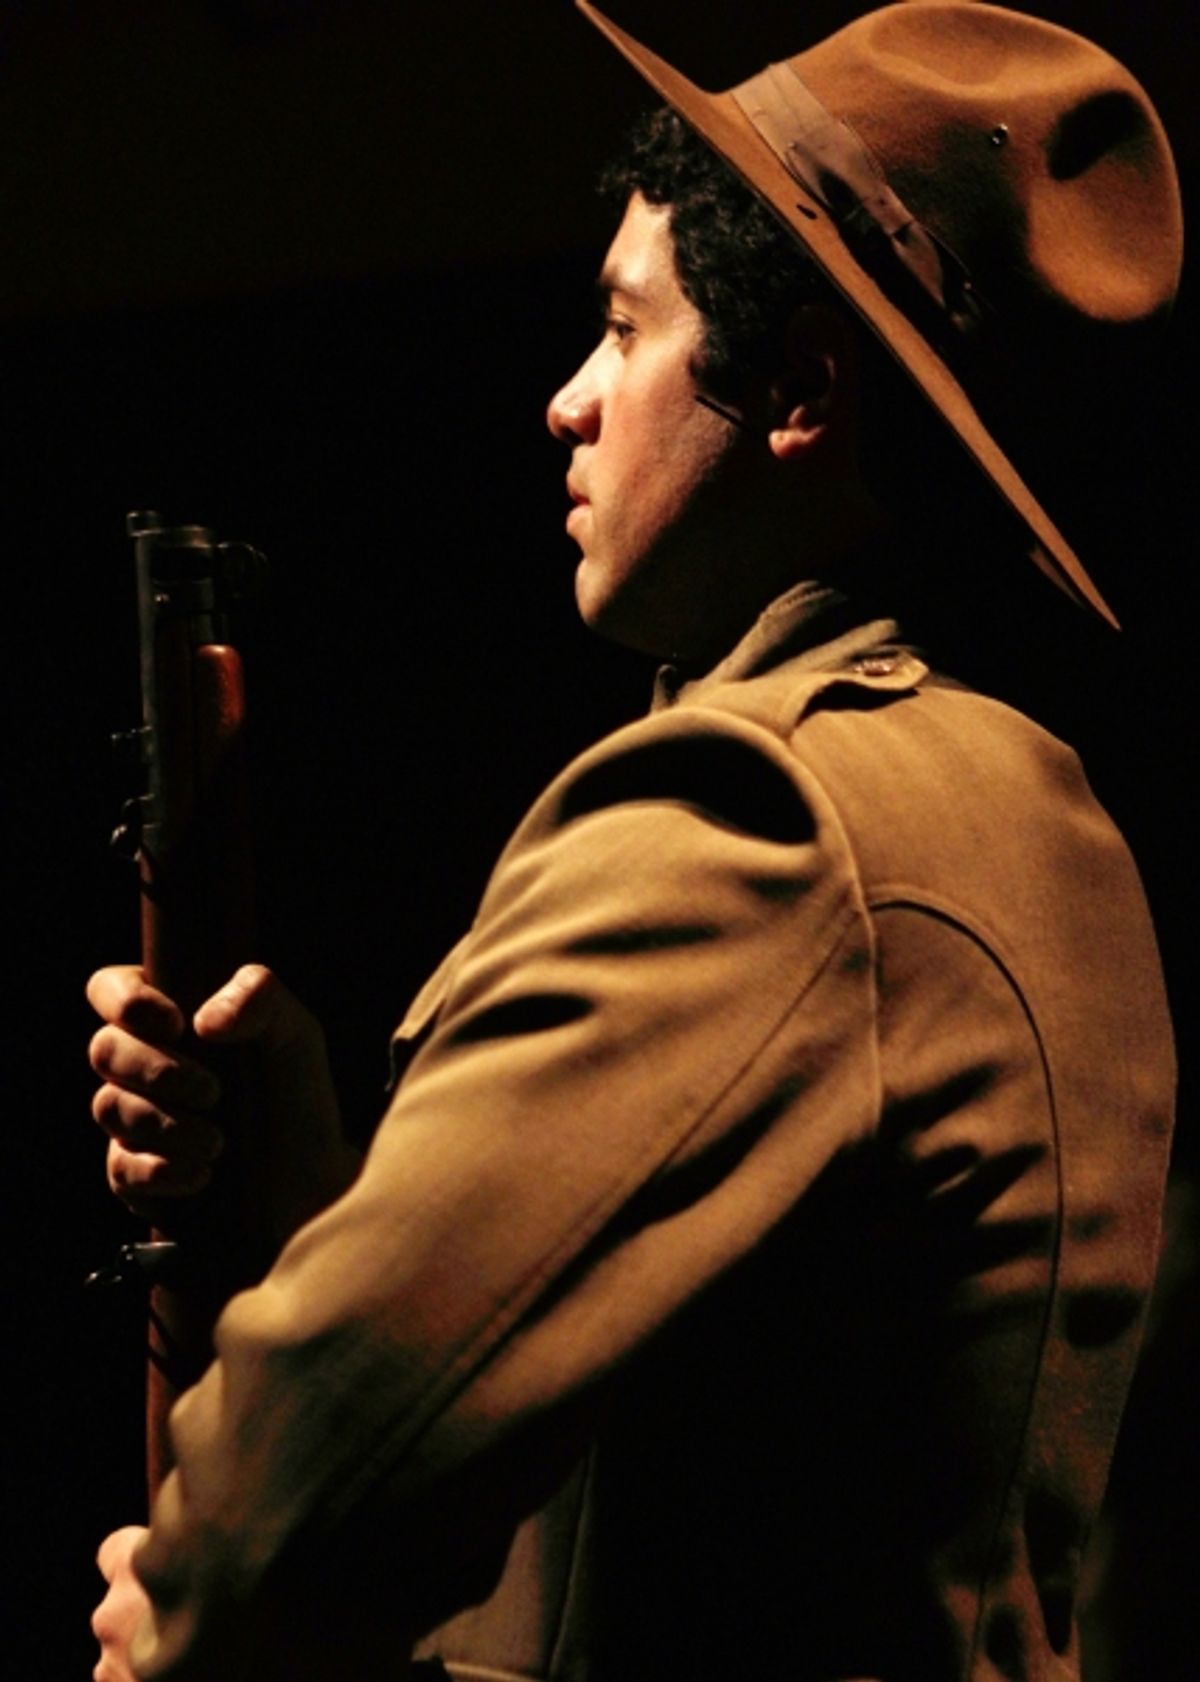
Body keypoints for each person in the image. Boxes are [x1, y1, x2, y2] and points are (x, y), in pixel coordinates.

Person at [86, 3, 1181, 1678]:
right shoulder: (1031, 810)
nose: (566, 403)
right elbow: (703, 1452)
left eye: (623, 329)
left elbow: (304, 1505)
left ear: (803, 385)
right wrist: (308, 1191)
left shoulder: (758, 813)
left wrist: (192, 1596)